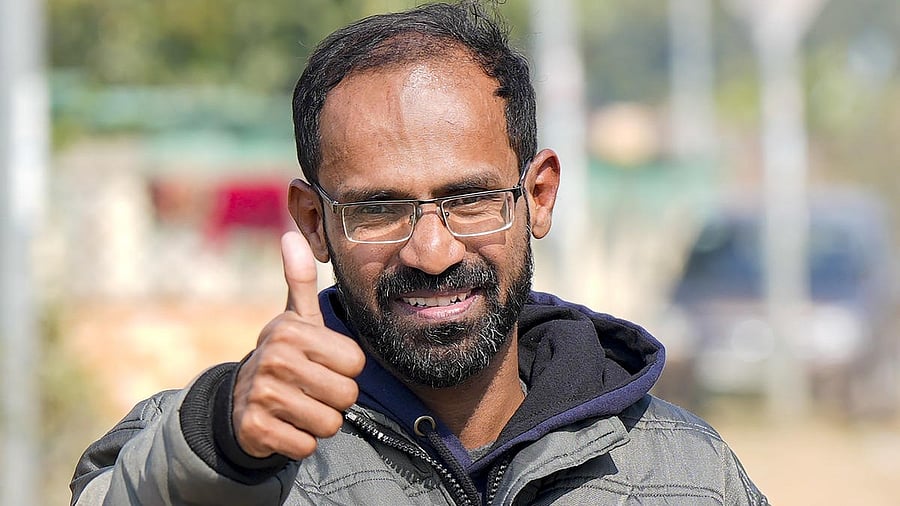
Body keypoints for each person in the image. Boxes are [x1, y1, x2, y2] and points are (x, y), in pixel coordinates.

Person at [70, 2, 768, 505]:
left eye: (469, 200)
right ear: (314, 223)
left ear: (541, 196)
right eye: (379, 209)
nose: (432, 253)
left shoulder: (685, 474)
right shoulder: (228, 452)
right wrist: (220, 447)